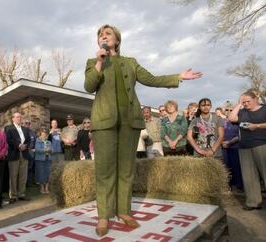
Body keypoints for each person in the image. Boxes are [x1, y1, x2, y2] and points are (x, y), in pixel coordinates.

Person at [84, 24, 202, 236]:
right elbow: (89, 86)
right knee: (104, 170)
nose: (104, 36)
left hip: (130, 121)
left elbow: (151, 79)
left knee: (127, 169)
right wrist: (100, 62)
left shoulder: (130, 62)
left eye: (108, 33)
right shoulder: (93, 63)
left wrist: (178, 77)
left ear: (117, 40)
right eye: (101, 34)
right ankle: (104, 215)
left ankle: (124, 211)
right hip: (103, 122)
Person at [228, 91, 266, 212]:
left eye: (248, 101)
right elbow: (231, 118)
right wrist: (239, 104)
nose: (246, 104)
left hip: (263, 144)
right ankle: (253, 202)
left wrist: (257, 126)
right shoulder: (242, 112)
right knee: (249, 177)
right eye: (244, 102)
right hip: (245, 147)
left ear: (255, 99)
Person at [5, 112, 31, 203]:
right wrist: (18, 145)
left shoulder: (25, 129)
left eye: (20, 117)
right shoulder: (8, 128)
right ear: (13, 119)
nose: (19, 118)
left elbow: (29, 140)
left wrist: (25, 146)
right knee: (13, 176)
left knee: (23, 176)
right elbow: (8, 140)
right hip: (14, 154)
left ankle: (21, 194)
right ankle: (13, 195)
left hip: (24, 154)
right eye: (17, 117)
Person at [221, 102, 243, 191]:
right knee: (225, 166)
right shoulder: (221, 121)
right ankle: (228, 185)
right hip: (223, 147)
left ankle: (239, 185)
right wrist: (222, 142)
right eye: (227, 110)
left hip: (235, 147)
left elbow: (241, 135)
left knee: (236, 166)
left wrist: (229, 142)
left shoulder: (238, 121)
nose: (229, 111)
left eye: (231, 110)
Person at [34, 128, 52, 194]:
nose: (44, 136)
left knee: (48, 173)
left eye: (45, 135)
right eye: (43, 135)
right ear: (40, 135)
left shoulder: (49, 142)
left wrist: (48, 150)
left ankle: (47, 188)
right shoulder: (37, 141)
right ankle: (42, 188)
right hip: (40, 160)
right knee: (41, 174)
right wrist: (45, 150)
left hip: (48, 159)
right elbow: (37, 149)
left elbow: (51, 149)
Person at [23, 119, 36, 187]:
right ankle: (23, 184)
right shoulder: (21, 132)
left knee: (30, 168)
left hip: (31, 152)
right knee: (23, 169)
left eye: (29, 123)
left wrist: (35, 149)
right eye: (26, 123)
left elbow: (35, 142)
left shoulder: (33, 133)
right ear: (23, 124)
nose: (27, 125)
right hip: (24, 152)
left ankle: (29, 183)